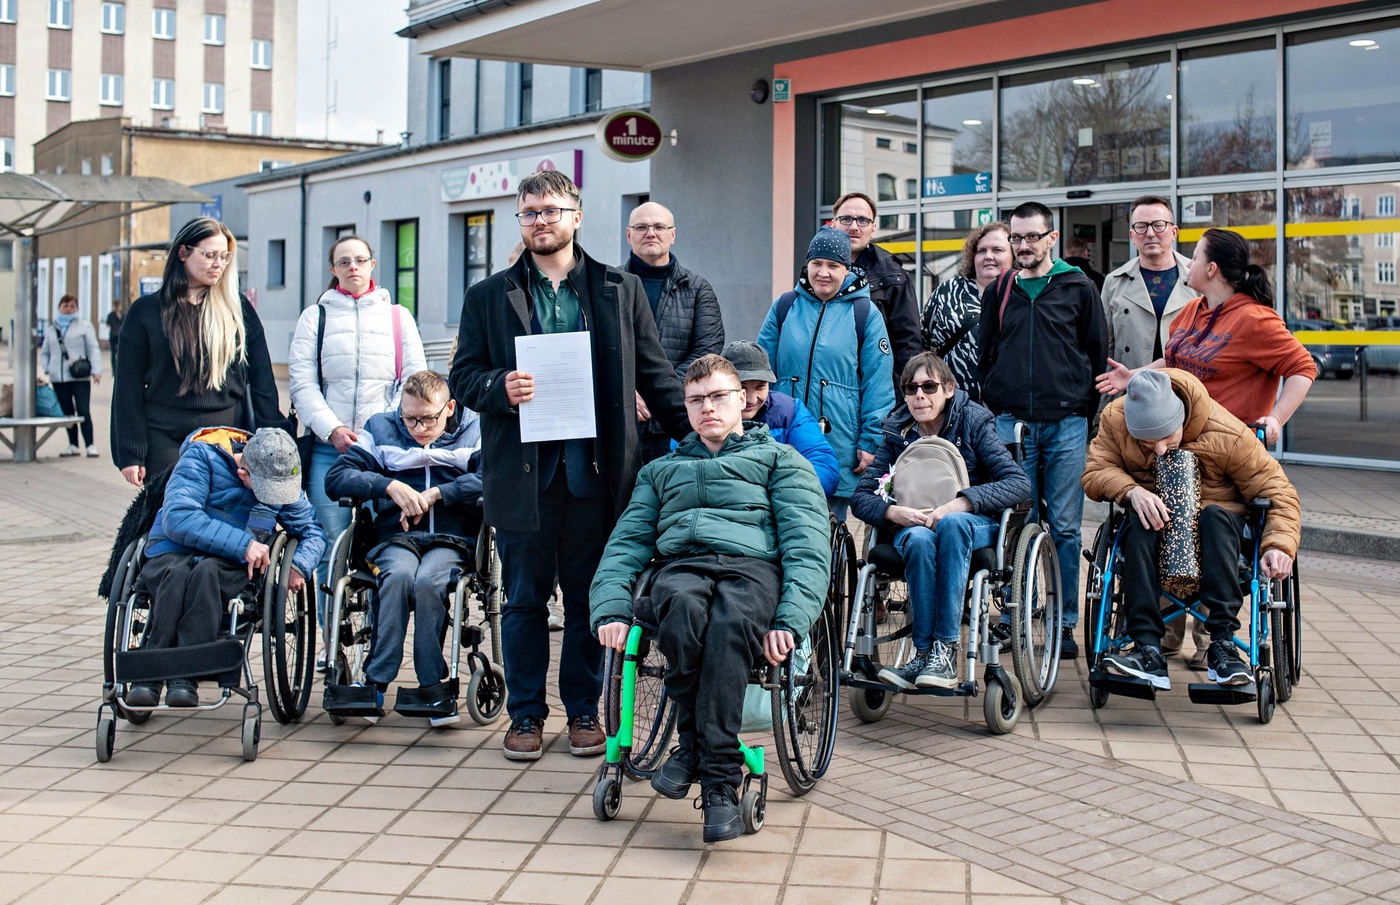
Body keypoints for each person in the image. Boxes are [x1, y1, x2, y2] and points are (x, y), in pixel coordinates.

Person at [449, 169, 689, 762]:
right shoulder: (488, 296)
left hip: (596, 474)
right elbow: (462, 376)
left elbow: (655, 376)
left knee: (588, 600)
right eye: (529, 213)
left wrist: (704, 434)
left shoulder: (616, 288)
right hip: (523, 475)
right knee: (526, 599)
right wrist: (498, 386)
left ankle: (583, 709)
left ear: (576, 216)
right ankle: (526, 715)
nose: (539, 222)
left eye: (550, 211)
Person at [590, 354, 830, 843]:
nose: (707, 408)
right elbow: (627, 542)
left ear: (743, 399)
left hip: (753, 568)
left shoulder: (781, 460)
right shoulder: (661, 471)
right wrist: (611, 607)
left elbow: (807, 546)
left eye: (718, 396)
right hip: (681, 567)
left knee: (729, 624)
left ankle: (703, 765)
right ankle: (715, 770)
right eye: (696, 400)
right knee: (679, 609)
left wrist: (791, 620)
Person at [1082, 369, 1300, 689]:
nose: (1158, 449)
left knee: (1215, 517)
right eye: (1147, 441)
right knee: (1138, 524)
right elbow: (1095, 471)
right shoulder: (1115, 419)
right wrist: (1131, 490)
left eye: (1166, 438)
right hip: (1156, 526)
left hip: (1216, 530)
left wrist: (1278, 545)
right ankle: (1147, 649)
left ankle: (1223, 645)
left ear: (1181, 419)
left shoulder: (1227, 433)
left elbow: (1279, 492)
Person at [850, 352, 1031, 688]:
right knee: (918, 539)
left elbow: (1018, 483)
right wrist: (893, 512)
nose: (919, 395)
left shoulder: (973, 421)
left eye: (928, 386)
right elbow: (861, 497)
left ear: (948, 388)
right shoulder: (896, 430)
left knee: (950, 525)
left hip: (969, 522)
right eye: (911, 388)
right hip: (913, 524)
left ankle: (945, 651)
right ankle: (922, 654)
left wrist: (961, 503)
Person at [288, 234, 427, 669]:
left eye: (360, 260)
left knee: (382, 545)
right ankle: (334, 644)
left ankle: (375, 641)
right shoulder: (316, 318)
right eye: (343, 262)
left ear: (373, 264)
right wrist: (331, 429)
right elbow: (303, 384)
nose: (353, 267)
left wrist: (380, 430)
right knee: (331, 544)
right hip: (331, 450)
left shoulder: (397, 317)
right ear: (333, 269)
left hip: (384, 451)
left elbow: (415, 381)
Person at [978, 201, 1108, 661]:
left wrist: (1082, 410)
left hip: (1066, 424)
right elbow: (985, 354)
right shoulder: (1000, 292)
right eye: (1017, 238)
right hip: (1012, 424)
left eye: (1033, 237)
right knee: (1016, 524)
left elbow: (1096, 352)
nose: (1024, 245)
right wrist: (998, 403)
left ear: (1052, 238)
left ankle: (1063, 622)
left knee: (1067, 527)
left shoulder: (1078, 287)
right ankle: (1019, 617)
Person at [324, 371, 482, 726]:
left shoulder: (473, 430)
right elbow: (336, 479)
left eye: (428, 419)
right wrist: (388, 485)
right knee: (396, 577)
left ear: (449, 408)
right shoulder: (380, 429)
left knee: (428, 583)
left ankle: (431, 684)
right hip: (394, 538)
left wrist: (439, 494)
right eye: (409, 418)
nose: (418, 428)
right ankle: (375, 681)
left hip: (451, 538)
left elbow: (493, 477)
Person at [125, 427, 326, 709]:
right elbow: (179, 517)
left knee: (206, 574)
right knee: (176, 575)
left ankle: (185, 676)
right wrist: (243, 544)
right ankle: (149, 676)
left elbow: (312, 532)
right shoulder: (200, 457)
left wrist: (300, 565)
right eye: (265, 492)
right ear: (244, 474)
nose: (274, 498)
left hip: (225, 564)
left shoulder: (279, 472)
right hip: (174, 547)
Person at [1099, 196, 1202, 665]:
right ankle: (1164, 631)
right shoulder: (1115, 284)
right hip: (1132, 416)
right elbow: (1101, 349)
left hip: (1188, 413)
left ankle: (1205, 634)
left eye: (1159, 224)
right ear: (1132, 233)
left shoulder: (1198, 280)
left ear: (1175, 230)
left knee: (1194, 515)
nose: (1151, 234)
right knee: (1150, 517)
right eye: (1141, 227)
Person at [1097, 228, 1316, 448]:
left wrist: (1276, 419)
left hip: (1231, 448)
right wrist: (1132, 376)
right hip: (1186, 442)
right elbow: (1174, 363)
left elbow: (1303, 367)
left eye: (1194, 258)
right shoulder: (1193, 309)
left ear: (1211, 269)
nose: (1189, 265)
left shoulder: (1254, 319)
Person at [112, 217, 287, 485]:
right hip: (163, 439)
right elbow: (127, 387)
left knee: (223, 519)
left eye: (225, 257)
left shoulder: (237, 310)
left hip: (227, 436)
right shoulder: (145, 312)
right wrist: (131, 452)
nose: (218, 264)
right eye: (209, 255)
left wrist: (275, 438)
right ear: (183, 253)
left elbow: (262, 378)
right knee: (171, 519)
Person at [756, 226, 894, 519]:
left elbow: (878, 383)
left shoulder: (865, 313)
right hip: (780, 431)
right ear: (807, 266)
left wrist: (871, 441)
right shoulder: (784, 306)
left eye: (833, 265)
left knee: (826, 522)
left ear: (847, 270)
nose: (823, 272)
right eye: (817, 263)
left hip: (838, 436)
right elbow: (759, 369)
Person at [622, 201, 725, 463]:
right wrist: (625, 391)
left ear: (672, 235)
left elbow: (707, 350)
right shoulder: (609, 286)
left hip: (675, 421)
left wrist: (657, 393)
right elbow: (597, 348)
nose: (650, 233)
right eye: (641, 227)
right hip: (622, 421)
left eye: (659, 226)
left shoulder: (697, 289)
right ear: (629, 235)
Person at [724, 340, 839, 497]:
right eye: (742, 388)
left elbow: (824, 467)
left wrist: (776, 492)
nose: (751, 399)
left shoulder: (790, 411)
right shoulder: (702, 412)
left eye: (760, 387)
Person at [830, 192, 923, 387]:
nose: (854, 227)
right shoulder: (816, 272)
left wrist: (898, 401)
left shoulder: (893, 275)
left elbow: (907, 345)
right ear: (833, 223)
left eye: (863, 220)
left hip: (875, 391)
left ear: (873, 228)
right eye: (846, 219)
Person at [920, 221, 1014, 404]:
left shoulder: (1021, 295)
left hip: (1004, 409)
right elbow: (921, 340)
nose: (988, 256)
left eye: (997, 250)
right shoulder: (948, 291)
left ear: (1013, 255)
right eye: (981, 250)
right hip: (951, 406)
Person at [41, 293, 102, 457]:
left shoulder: (84, 326)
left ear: (77, 308)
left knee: (83, 410)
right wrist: (47, 367)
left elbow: (93, 348)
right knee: (68, 411)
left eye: (72, 306)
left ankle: (90, 444)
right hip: (59, 377)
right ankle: (73, 444)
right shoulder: (52, 328)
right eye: (65, 306)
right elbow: (45, 351)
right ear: (59, 308)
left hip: (79, 376)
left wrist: (96, 370)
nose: (68, 309)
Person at [106, 300, 125, 374]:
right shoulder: (123, 314)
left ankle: (114, 371)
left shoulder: (111, 315)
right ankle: (121, 369)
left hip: (113, 335)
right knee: (121, 353)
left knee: (113, 354)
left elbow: (107, 324)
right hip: (121, 336)